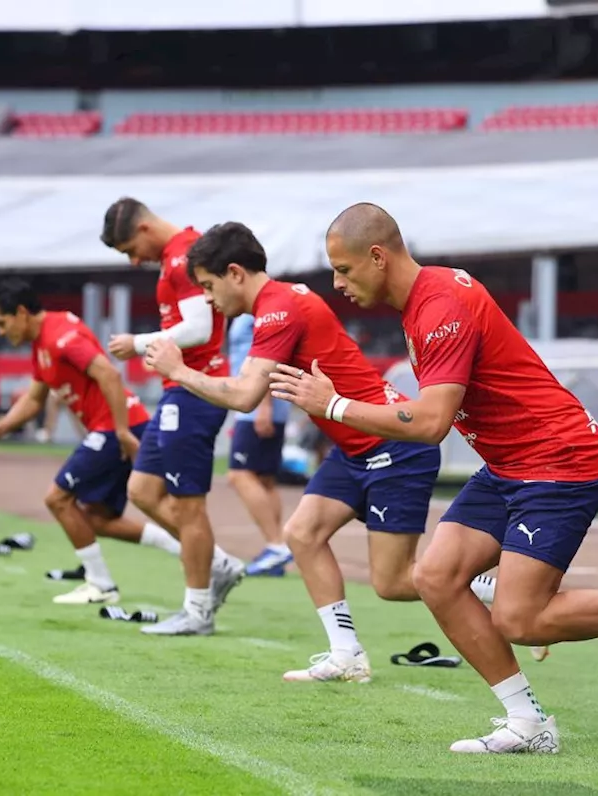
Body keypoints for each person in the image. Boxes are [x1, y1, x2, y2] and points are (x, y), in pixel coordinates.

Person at [270, 203, 598, 753]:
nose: (338, 283)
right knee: (433, 576)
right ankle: (528, 723)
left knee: (520, 619)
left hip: (559, 461)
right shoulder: (426, 298)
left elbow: (432, 422)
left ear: (377, 256)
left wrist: (335, 406)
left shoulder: (439, 306)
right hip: (512, 465)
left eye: (343, 270)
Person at [145, 221, 474, 682]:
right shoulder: (277, 305)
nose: (208, 299)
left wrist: (177, 371)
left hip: (393, 447)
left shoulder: (279, 309)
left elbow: (243, 396)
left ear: (235, 273)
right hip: (352, 446)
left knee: (394, 583)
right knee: (301, 534)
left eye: (208, 286)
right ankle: (347, 655)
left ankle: (497, 589)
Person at [0, 280, 184, 604]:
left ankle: (102, 584)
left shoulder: (60, 337)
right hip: (118, 427)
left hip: (115, 428)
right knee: (98, 519)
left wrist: (120, 432)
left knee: (58, 499)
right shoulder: (41, 343)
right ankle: (191, 551)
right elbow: (33, 401)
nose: (0, 332)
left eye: (1, 322)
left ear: (20, 312)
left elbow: (110, 374)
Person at [101, 197, 245, 636]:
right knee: (142, 489)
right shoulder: (172, 256)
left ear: (144, 229)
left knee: (188, 504)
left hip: (196, 390)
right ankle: (217, 563)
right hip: (176, 388)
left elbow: (200, 328)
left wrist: (139, 341)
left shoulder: (186, 254)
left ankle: (197, 611)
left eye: (129, 249)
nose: (132, 260)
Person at [225, 312, 292, 577]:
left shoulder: (257, 312)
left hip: (258, 408)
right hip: (270, 406)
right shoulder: (261, 311)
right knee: (264, 480)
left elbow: (267, 359)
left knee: (238, 475)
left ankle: (276, 546)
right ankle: (275, 550)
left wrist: (263, 406)